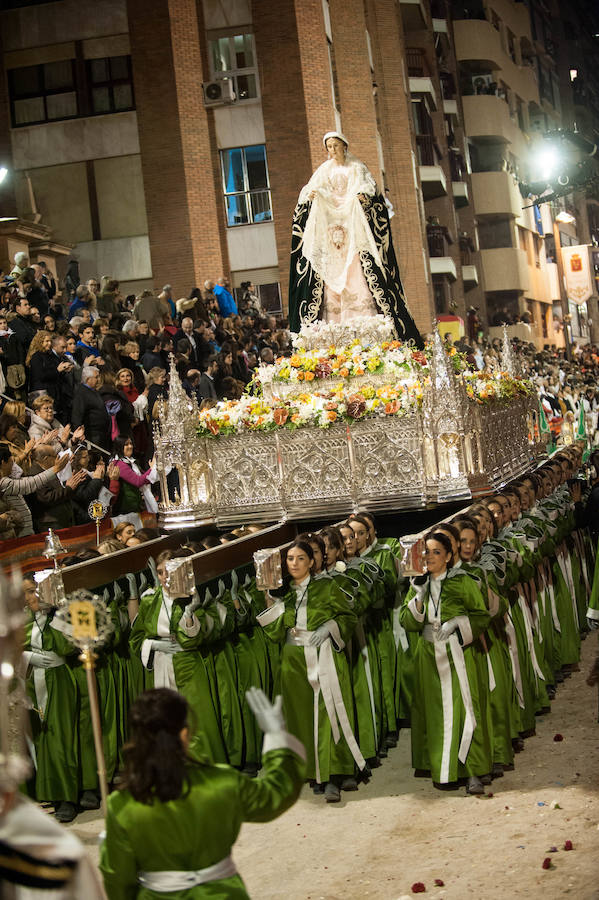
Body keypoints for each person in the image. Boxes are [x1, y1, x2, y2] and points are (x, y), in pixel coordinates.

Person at [99, 686, 305, 899]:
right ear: (185, 734)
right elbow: (276, 794)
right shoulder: (224, 784)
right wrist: (276, 736)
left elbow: (117, 878)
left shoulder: (122, 805)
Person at [288, 131, 423, 346]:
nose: (332, 150)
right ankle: (334, 331)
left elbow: (369, 189)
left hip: (353, 228)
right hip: (332, 233)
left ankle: (368, 331)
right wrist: (312, 196)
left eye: (335, 146)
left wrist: (362, 198)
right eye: (329, 147)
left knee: (358, 275)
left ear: (344, 146)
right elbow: (309, 191)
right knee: (331, 286)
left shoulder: (357, 168)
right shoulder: (324, 170)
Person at [256, 539, 364, 802]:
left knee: (328, 715)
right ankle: (313, 771)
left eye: (300, 558)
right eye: (290, 559)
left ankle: (332, 776)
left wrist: (329, 629)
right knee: (301, 716)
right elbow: (273, 631)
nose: (294, 563)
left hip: (323, 656)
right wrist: (268, 596)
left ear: (312, 562)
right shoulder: (286, 592)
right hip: (293, 661)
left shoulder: (327, 586)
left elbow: (348, 617)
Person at [399, 532, 492, 794]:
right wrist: (417, 597)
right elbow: (407, 623)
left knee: (465, 708)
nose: (429, 557)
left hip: (458, 653)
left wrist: (457, 624)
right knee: (436, 711)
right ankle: (445, 769)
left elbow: (481, 616)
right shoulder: (419, 584)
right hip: (428, 656)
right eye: (426, 552)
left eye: (436, 552)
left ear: (449, 556)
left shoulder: (463, 581)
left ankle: (473, 770)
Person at [108, 435, 159, 515]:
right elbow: (138, 481)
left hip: (134, 506)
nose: (130, 446)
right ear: (119, 446)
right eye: (126, 444)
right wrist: (152, 469)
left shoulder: (131, 462)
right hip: (126, 509)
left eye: (131, 443)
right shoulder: (119, 464)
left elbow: (143, 479)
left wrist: (152, 470)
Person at [71, 366, 112, 451]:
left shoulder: (93, 391)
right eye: (96, 377)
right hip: (92, 435)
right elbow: (77, 415)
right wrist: (79, 432)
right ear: (88, 379)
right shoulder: (81, 393)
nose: (98, 380)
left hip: (101, 434)